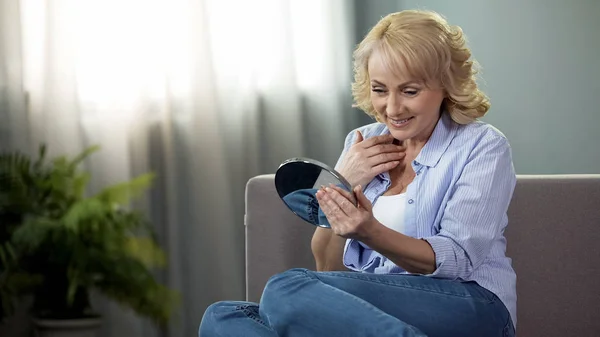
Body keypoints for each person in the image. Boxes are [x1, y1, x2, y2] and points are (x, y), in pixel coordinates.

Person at [199, 9, 517, 337]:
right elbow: (328, 267)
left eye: (410, 91)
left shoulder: (482, 145)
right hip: (379, 314)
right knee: (224, 316)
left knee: (285, 289)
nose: (392, 108)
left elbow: (458, 260)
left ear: (446, 85)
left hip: (472, 306)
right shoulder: (360, 142)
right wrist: (343, 180)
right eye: (380, 90)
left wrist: (370, 231)